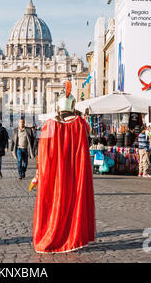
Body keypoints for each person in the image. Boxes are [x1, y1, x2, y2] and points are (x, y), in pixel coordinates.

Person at [29, 81, 95, 253]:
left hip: (55, 174)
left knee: (54, 203)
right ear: (73, 107)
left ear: (57, 106)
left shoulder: (48, 124)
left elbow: (42, 153)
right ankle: (72, 236)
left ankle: (51, 236)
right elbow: (90, 132)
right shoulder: (80, 123)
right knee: (73, 203)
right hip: (75, 172)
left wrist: (39, 174)